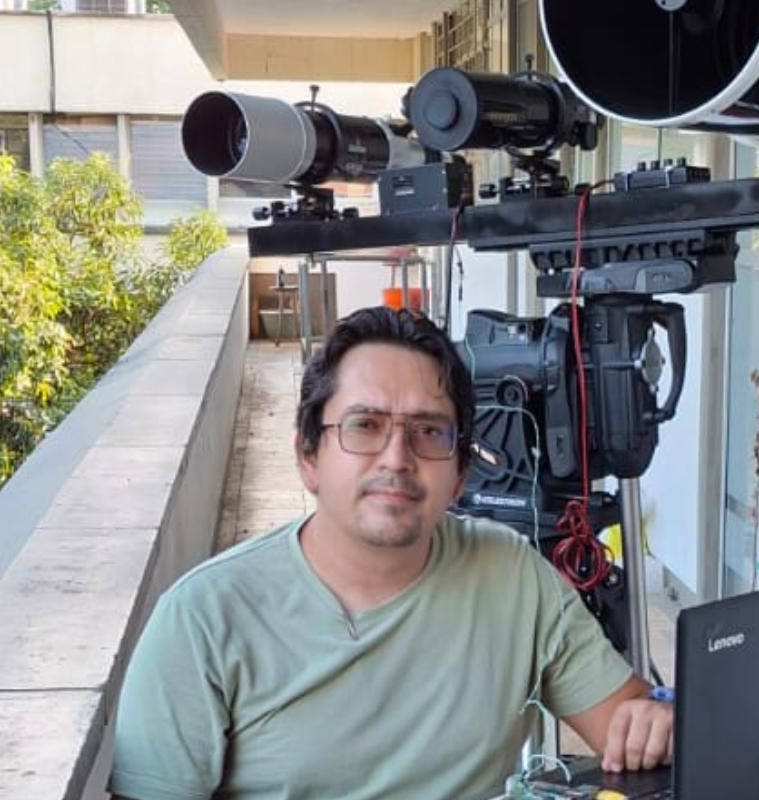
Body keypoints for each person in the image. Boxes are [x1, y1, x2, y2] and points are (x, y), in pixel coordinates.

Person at [109, 306, 673, 800]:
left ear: (459, 476)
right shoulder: (203, 619)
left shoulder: (512, 576)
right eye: (366, 426)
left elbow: (624, 723)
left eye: (429, 433)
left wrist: (653, 722)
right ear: (308, 456)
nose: (397, 458)